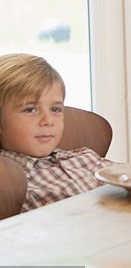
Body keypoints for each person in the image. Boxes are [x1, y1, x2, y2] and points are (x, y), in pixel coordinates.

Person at [0, 53, 114, 212]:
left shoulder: (84, 159)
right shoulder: (9, 185)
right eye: (30, 109)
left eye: (55, 109)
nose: (48, 120)